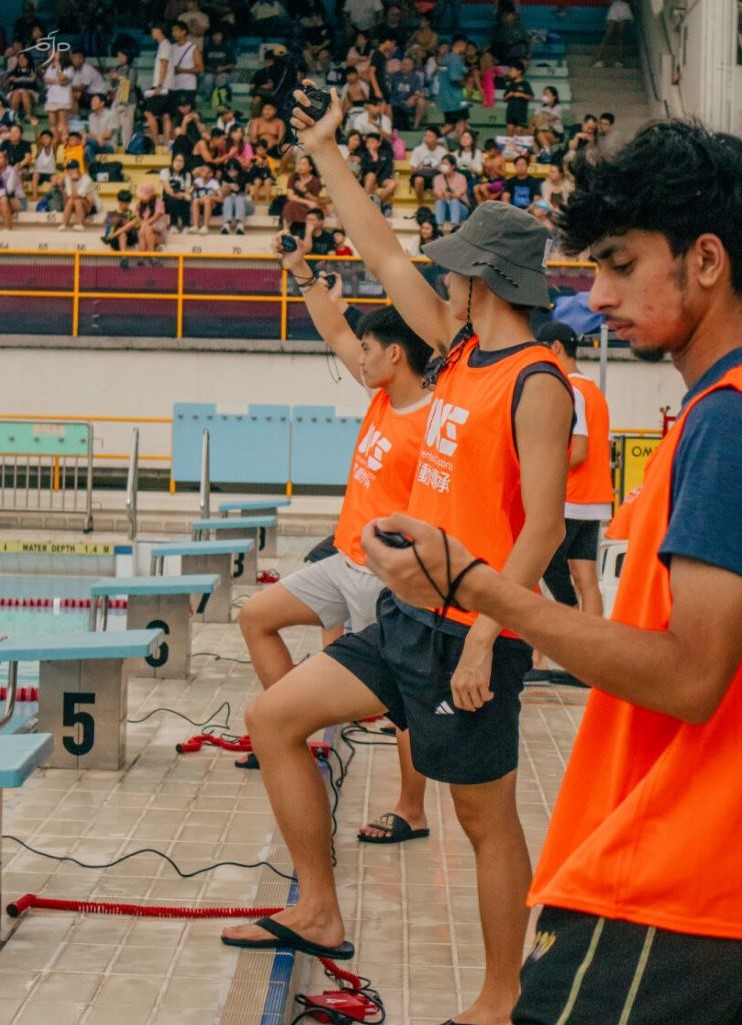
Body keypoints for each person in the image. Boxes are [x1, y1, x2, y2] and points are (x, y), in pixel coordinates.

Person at [361, 119, 742, 1025]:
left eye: (619, 263)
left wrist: (471, 585)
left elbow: (689, 675)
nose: (595, 296)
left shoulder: (733, 420)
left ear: (706, 259)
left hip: (672, 879)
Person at [221, 86, 574, 1025]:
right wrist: (328, 154)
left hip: (475, 633)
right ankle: (318, 905)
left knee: (484, 819)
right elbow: (379, 247)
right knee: (275, 716)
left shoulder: (538, 383)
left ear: (484, 281)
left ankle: (502, 999)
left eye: (454, 272)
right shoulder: (457, 352)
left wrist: (484, 635)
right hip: (404, 615)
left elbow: (542, 529)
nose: (440, 280)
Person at [234, 236, 432, 772]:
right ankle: (295, 725)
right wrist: (301, 272)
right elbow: (336, 330)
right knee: (256, 617)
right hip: (342, 562)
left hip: (383, 577)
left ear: (395, 353)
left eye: (368, 350)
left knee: (402, 702)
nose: (357, 358)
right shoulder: (384, 399)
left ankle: (410, 810)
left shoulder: (433, 423)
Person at [538, 321, 613, 618]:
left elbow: (578, 451)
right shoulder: (594, 392)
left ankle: (564, 622)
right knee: (587, 581)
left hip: (571, 498)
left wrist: (539, 466)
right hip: (595, 500)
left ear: (555, 347)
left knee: (544, 567)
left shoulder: (569, 390)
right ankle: (593, 653)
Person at [144, 23, 175, 150]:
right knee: (166, 115)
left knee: (148, 113)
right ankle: (166, 143)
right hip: (168, 86)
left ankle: (156, 142)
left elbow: (164, 65)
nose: (152, 33)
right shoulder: (167, 45)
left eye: (154, 30)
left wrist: (159, 85)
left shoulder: (164, 46)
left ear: (159, 30)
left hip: (161, 86)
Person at [436, 34, 469, 140]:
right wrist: (467, 85)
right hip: (455, 99)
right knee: (461, 122)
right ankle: (462, 148)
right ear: (461, 45)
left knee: (450, 125)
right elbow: (455, 78)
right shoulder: (455, 58)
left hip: (446, 98)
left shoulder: (448, 58)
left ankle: (431, 138)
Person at [282, 154, 323, 233]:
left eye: (304, 164)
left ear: (310, 168)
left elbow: (315, 200)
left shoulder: (315, 181)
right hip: (298, 202)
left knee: (315, 209)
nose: (300, 166)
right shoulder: (293, 177)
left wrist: (305, 191)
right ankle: (285, 231)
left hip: (308, 206)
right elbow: (290, 196)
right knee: (290, 205)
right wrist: (307, 202)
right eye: (299, 164)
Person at [107, 47, 138, 149]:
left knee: (126, 127)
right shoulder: (116, 68)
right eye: (118, 56)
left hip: (128, 101)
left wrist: (119, 77)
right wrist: (112, 77)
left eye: (122, 56)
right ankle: (113, 147)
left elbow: (131, 85)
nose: (119, 58)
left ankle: (127, 147)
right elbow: (113, 85)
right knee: (114, 124)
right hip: (117, 99)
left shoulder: (132, 70)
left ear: (127, 57)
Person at [170, 20, 204, 112]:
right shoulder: (171, 47)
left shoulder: (193, 48)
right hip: (174, 85)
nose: (173, 33)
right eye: (172, 31)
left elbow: (200, 68)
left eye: (176, 30)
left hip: (188, 86)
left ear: (184, 32)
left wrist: (182, 70)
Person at [58, 159, 100, 231]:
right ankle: (64, 224)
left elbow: (76, 195)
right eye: (68, 169)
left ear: (77, 169)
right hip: (76, 203)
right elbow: (70, 195)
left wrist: (73, 181)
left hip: (92, 207)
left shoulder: (86, 179)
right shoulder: (68, 178)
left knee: (77, 200)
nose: (69, 171)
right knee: (71, 200)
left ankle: (81, 225)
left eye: (71, 169)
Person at [359, 132, 396, 213]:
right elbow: (366, 171)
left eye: (372, 142)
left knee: (392, 184)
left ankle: (376, 202)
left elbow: (388, 169)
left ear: (379, 143)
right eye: (368, 142)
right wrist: (374, 159)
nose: (369, 144)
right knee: (371, 175)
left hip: (382, 178)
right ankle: (368, 204)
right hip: (368, 178)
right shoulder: (364, 155)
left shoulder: (386, 154)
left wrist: (380, 180)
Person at [42, 49, 74, 144]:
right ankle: (54, 143)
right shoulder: (50, 67)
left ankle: (64, 143)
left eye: (55, 53)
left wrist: (58, 66)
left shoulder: (69, 68)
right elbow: (46, 80)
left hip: (63, 98)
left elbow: (62, 78)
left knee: (62, 124)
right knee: (52, 124)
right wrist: (58, 82)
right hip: (51, 97)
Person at [409, 126, 448, 203]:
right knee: (418, 180)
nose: (427, 138)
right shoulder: (418, 150)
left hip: (435, 176)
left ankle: (437, 207)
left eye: (430, 136)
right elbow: (412, 170)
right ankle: (421, 205)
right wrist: (422, 169)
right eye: (426, 136)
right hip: (421, 175)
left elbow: (446, 170)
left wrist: (435, 169)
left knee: (438, 181)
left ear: (436, 138)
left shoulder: (443, 151)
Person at [388, 56, 427, 131]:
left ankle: (415, 127)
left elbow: (418, 92)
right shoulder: (394, 76)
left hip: (408, 104)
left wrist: (413, 98)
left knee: (421, 101)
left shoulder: (415, 78)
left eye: (406, 65)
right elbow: (388, 91)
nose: (403, 66)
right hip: (395, 103)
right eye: (402, 64)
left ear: (412, 66)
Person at [200, 26, 236, 102]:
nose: (216, 37)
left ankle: (222, 99)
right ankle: (207, 99)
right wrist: (211, 69)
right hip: (210, 72)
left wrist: (222, 68)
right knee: (207, 79)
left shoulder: (227, 48)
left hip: (224, 72)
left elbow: (232, 63)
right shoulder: (207, 48)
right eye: (214, 35)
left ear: (222, 36)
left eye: (218, 35)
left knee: (220, 80)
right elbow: (202, 63)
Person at [101, 187, 139, 257]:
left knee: (125, 230)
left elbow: (136, 228)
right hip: (115, 240)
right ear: (118, 202)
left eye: (126, 203)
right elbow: (108, 229)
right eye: (121, 203)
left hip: (130, 238)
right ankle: (123, 256)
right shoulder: (113, 213)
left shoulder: (133, 214)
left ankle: (123, 256)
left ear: (129, 203)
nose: (123, 205)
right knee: (121, 233)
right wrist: (109, 235)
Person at [594, 0, 634, 67]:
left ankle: (619, 60)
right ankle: (599, 58)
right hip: (614, 8)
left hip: (624, 8)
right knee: (608, 34)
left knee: (620, 35)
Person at [432, 153, 469, 226]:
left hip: (460, 209)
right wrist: (443, 195)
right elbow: (438, 194)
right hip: (445, 210)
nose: (443, 166)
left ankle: (454, 225)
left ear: (453, 166)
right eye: (442, 164)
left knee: (454, 201)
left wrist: (449, 195)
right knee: (439, 201)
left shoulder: (461, 177)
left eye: (446, 164)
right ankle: (439, 226)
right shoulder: (437, 178)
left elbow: (457, 195)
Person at [160, 151, 193, 230]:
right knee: (174, 201)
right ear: (172, 161)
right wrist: (183, 195)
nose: (179, 163)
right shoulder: (165, 171)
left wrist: (185, 195)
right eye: (177, 160)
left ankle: (186, 225)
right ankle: (173, 225)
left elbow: (187, 191)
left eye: (181, 161)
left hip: (181, 198)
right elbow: (169, 191)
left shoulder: (187, 175)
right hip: (168, 198)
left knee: (186, 202)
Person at [5, 50, 39, 127]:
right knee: (18, 92)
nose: (21, 61)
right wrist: (9, 80)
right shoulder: (14, 71)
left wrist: (17, 79)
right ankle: (14, 116)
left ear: (28, 60)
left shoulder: (33, 70)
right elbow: (7, 84)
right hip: (15, 93)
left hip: (31, 93)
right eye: (19, 59)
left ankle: (28, 115)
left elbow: (34, 81)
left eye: (23, 59)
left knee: (23, 92)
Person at [187, 162, 222, 233]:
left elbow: (221, 198)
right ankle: (195, 226)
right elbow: (189, 192)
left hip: (212, 206)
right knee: (195, 200)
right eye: (201, 169)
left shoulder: (214, 183)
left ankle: (205, 226)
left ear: (210, 174)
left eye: (204, 170)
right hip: (200, 205)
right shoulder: (198, 181)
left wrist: (210, 197)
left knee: (207, 200)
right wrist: (193, 188)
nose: (201, 171)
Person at [532, 85, 564, 161]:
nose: (545, 96)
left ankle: (548, 156)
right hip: (541, 131)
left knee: (540, 134)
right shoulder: (540, 107)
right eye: (544, 94)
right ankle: (538, 155)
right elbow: (534, 119)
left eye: (547, 94)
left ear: (554, 96)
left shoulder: (558, 107)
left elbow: (548, 118)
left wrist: (538, 121)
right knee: (530, 139)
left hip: (556, 134)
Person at [85, 94, 119, 163]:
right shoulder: (91, 116)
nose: (92, 103)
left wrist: (95, 137)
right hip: (95, 144)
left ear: (102, 103)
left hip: (109, 146)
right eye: (91, 101)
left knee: (85, 139)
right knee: (88, 148)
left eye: (94, 101)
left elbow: (108, 135)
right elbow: (92, 134)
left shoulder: (111, 115)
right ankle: (95, 170)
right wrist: (98, 138)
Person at [503, 60, 533, 137]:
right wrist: (509, 95)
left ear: (519, 71)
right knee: (509, 131)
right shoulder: (510, 85)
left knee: (518, 133)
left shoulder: (525, 84)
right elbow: (504, 98)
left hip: (521, 114)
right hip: (510, 113)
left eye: (512, 70)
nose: (510, 73)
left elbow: (531, 97)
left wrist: (521, 95)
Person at [473, 137, 506, 204]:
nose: (489, 153)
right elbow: (486, 176)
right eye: (487, 151)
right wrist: (485, 170)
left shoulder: (500, 159)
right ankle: (481, 206)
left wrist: (495, 169)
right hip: (490, 181)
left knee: (483, 187)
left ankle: (490, 205)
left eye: (490, 151)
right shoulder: (486, 160)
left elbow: (504, 174)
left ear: (496, 149)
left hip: (499, 182)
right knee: (475, 188)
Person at [0, 150, 24, 230]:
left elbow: (9, 191)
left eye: (0, 158)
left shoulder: (11, 171)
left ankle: (8, 229)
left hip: (18, 201)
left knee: (3, 200)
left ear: (6, 161)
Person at [30, 128, 56, 199]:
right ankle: (34, 197)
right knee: (35, 175)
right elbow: (36, 138)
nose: (45, 140)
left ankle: (49, 198)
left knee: (54, 179)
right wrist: (35, 126)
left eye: (47, 138)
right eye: (43, 138)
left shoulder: (53, 148)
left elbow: (57, 140)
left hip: (50, 174)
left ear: (51, 139)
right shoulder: (40, 147)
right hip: (39, 173)